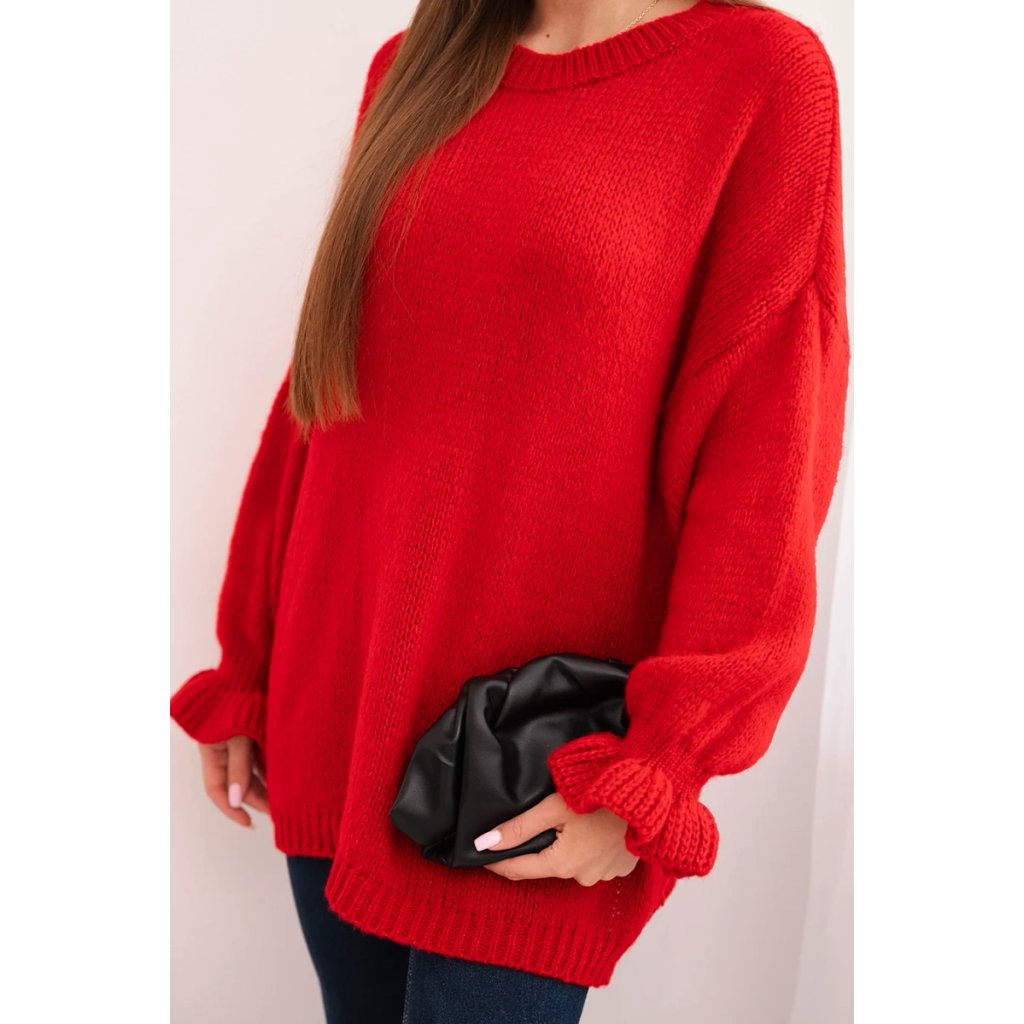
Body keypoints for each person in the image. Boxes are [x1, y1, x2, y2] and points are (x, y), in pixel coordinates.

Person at [170, 0, 850, 1020]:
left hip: (528, 761)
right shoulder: (412, 65)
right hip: (335, 706)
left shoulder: (762, 76)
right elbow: (323, 391)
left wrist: (660, 765)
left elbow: (769, 448)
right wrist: (249, 662)